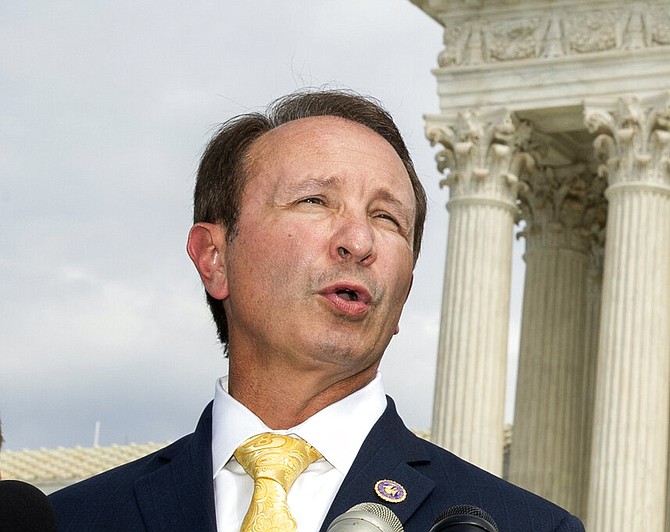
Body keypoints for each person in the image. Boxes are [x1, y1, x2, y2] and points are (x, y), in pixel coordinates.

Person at [49, 89, 584, 531]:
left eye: (387, 218)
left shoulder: (525, 526)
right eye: (314, 201)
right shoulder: (71, 519)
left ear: (404, 294)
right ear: (214, 257)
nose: (358, 240)